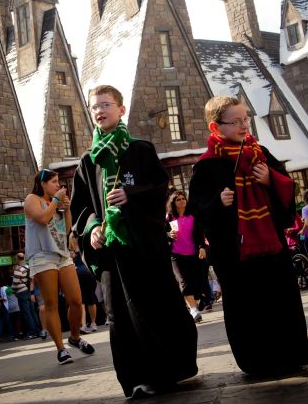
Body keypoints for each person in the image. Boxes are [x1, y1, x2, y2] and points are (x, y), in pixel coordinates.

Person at [71, 85, 197, 398]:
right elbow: (81, 207)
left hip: (143, 245)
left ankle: (167, 371)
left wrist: (132, 196)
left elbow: (158, 188)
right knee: (119, 314)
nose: (99, 110)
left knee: (155, 307)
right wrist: (93, 228)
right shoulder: (88, 161)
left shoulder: (140, 149)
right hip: (111, 251)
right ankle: (136, 378)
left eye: (106, 104)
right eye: (94, 107)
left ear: (121, 109)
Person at [189, 95, 308, 377]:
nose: (244, 125)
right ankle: (257, 361)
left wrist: (271, 180)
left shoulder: (262, 153)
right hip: (234, 251)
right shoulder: (206, 165)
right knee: (247, 305)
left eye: (246, 119)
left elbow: (285, 188)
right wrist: (218, 202)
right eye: (236, 121)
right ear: (215, 126)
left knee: (281, 299)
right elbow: (195, 209)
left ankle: (291, 354)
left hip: (271, 242)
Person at [24, 168, 95, 364]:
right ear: (43, 184)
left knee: (75, 299)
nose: (58, 185)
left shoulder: (56, 202)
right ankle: (61, 349)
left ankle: (74, 337)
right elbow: (42, 218)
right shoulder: (32, 199)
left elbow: (66, 229)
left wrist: (67, 208)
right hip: (42, 256)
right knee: (52, 304)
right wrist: (56, 201)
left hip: (62, 254)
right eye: (54, 181)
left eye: (58, 181)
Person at [165, 190, 207, 322]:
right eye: (178, 199)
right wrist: (168, 235)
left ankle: (192, 305)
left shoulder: (192, 217)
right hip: (176, 255)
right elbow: (161, 234)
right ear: (173, 203)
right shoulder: (169, 218)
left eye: (183, 199)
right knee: (183, 281)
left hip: (193, 254)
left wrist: (202, 247)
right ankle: (194, 310)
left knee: (197, 282)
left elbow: (200, 234)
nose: (182, 201)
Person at [11, 253, 39, 339]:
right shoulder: (28, 267)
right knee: (32, 311)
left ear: (17, 259)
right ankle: (37, 330)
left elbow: (15, 283)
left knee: (26, 313)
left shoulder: (18, 269)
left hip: (21, 292)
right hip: (29, 291)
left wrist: (14, 290)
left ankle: (31, 332)